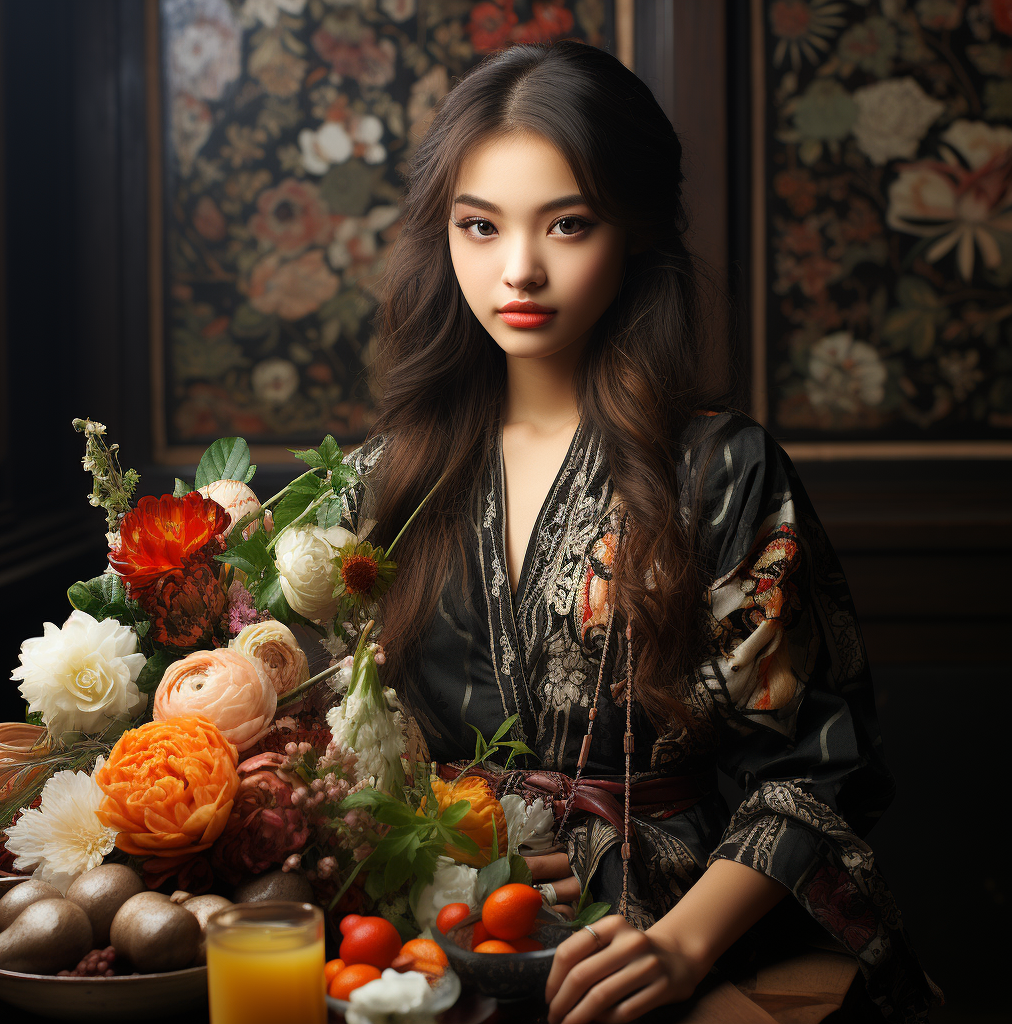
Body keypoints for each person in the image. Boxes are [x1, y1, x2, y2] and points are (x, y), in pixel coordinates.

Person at [342, 40, 939, 1024]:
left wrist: (678, 942)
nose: (519, 269)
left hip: (678, 928)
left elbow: (815, 767)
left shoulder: (720, 471)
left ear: (633, 233)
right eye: (479, 227)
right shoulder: (384, 481)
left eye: (567, 224)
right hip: (447, 929)